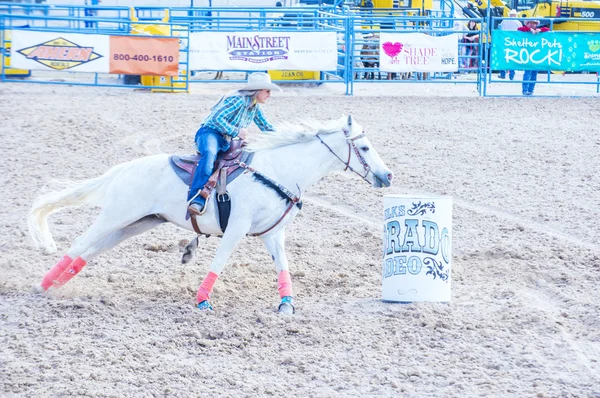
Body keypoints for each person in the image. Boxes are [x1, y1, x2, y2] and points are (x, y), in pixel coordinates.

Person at [187, 72, 281, 216]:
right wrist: (236, 131)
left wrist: (286, 137)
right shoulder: (238, 100)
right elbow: (216, 119)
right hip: (209, 133)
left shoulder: (254, 107)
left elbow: (266, 127)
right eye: (267, 91)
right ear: (258, 91)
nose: (269, 94)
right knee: (210, 155)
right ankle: (197, 198)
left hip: (226, 139)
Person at [518, 19, 550, 95]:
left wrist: (540, 30)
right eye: (530, 23)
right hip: (527, 55)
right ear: (527, 24)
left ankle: (531, 90)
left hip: (536, 56)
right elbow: (519, 29)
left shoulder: (539, 32)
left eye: (534, 23)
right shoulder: (525, 31)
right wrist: (529, 29)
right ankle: (525, 90)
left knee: (534, 74)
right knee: (527, 73)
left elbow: (547, 29)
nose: (532, 25)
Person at [498, 10, 522, 80]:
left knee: (503, 58)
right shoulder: (518, 23)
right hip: (514, 42)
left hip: (505, 41)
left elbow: (500, 30)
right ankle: (511, 75)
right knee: (512, 58)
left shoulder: (504, 21)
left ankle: (502, 74)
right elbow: (520, 33)